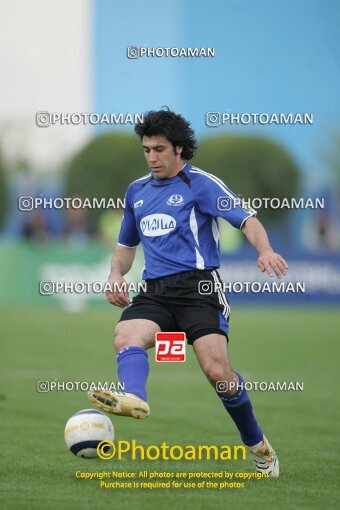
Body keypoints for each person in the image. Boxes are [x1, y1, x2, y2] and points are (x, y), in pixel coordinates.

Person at [88, 109, 288, 477]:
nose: (151, 157)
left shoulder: (201, 184)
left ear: (179, 149)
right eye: (146, 149)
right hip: (156, 291)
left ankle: (259, 447)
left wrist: (265, 250)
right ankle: (135, 398)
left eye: (159, 149)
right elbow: (125, 245)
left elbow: (247, 219)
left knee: (218, 375)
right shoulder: (137, 191)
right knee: (125, 335)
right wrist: (116, 274)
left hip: (200, 290)